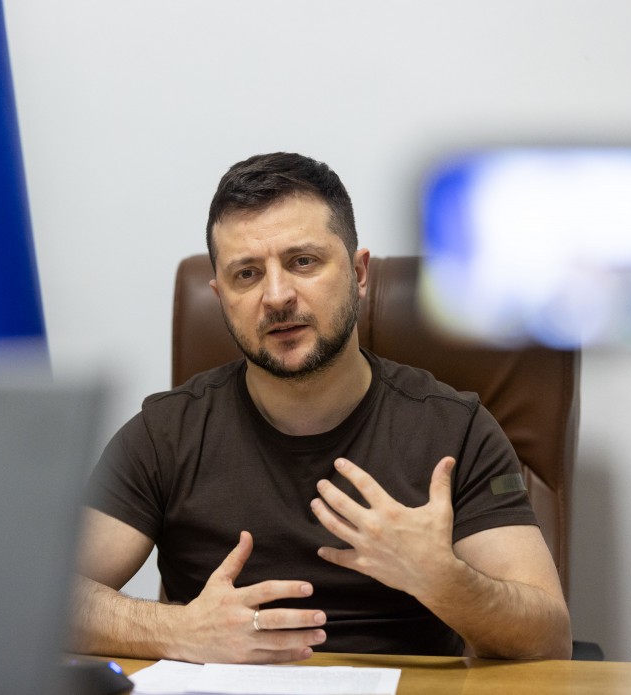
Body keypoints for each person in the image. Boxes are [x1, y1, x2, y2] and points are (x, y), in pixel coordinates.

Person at [72, 152, 572, 664]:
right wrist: (177, 629)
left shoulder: (453, 429)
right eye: (246, 274)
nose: (276, 295)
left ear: (358, 273)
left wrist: (444, 580)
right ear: (220, 296)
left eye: (302, 262)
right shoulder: (165, 434)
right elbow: (40, 597)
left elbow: (548, 637)